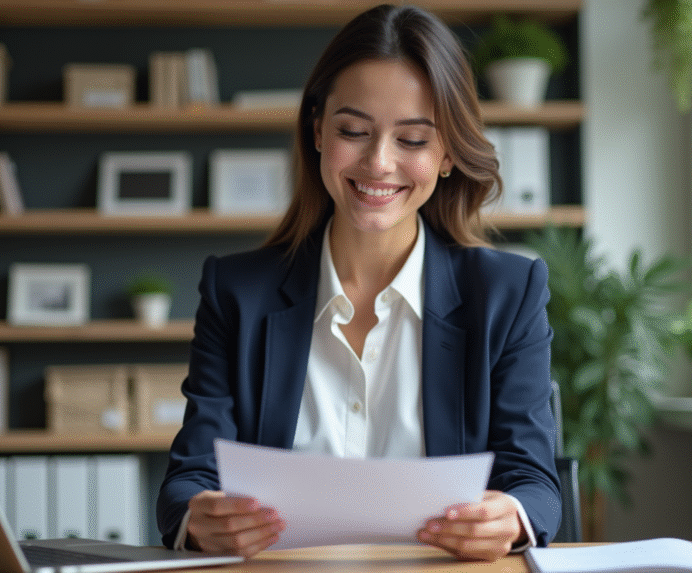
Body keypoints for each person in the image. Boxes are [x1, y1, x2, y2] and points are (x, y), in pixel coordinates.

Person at [156, 3, 561, 563]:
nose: (378, 163)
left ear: (446, 154)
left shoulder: (508, 293)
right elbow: (189, 478)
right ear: (318, 130)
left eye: (413, 141)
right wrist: (200, 517)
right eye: (354, 131)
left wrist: (508, 518)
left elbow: (535, 486)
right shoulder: (236, 292)